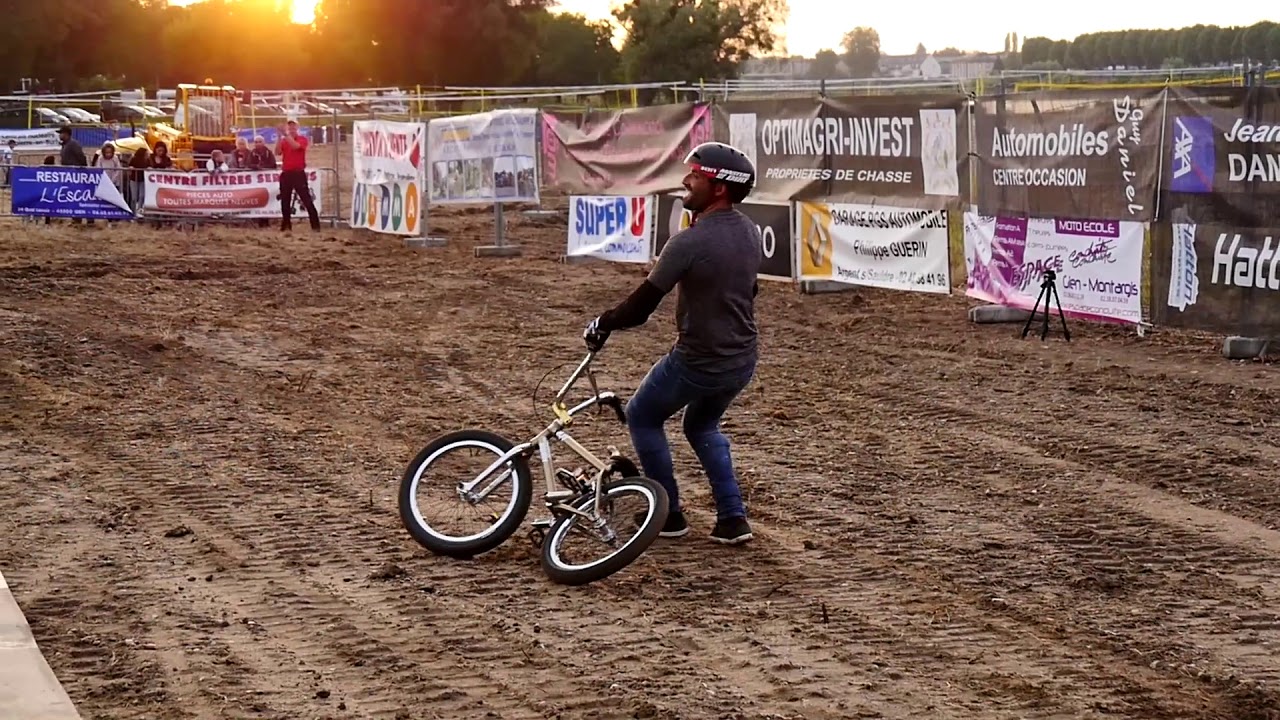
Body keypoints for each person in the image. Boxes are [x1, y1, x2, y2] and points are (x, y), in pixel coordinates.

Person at [582, 141, 762, 546]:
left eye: (696, 175)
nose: (686, 179)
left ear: (718, 188)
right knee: (702, 425)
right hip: (741, 360)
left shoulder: (688, 243)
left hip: (699, 360)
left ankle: (668, 516)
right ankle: (732, 520)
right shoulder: (749, 230)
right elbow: (750, 291)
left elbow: (641, 308)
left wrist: (602, 322)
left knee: (642, 415)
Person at [275, 119, 320, 232]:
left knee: (306, 200)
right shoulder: (285, 140)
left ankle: (315, 225)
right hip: (286, 173)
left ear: (297, 129)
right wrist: (278, 137)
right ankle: (286, 225)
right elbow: (277, 152)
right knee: (285, 200)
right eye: (289, 128)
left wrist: (285, 135)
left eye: (293, 128)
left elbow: (296, 147)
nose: (292, 130)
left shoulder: (302, 139)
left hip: (298, 173)